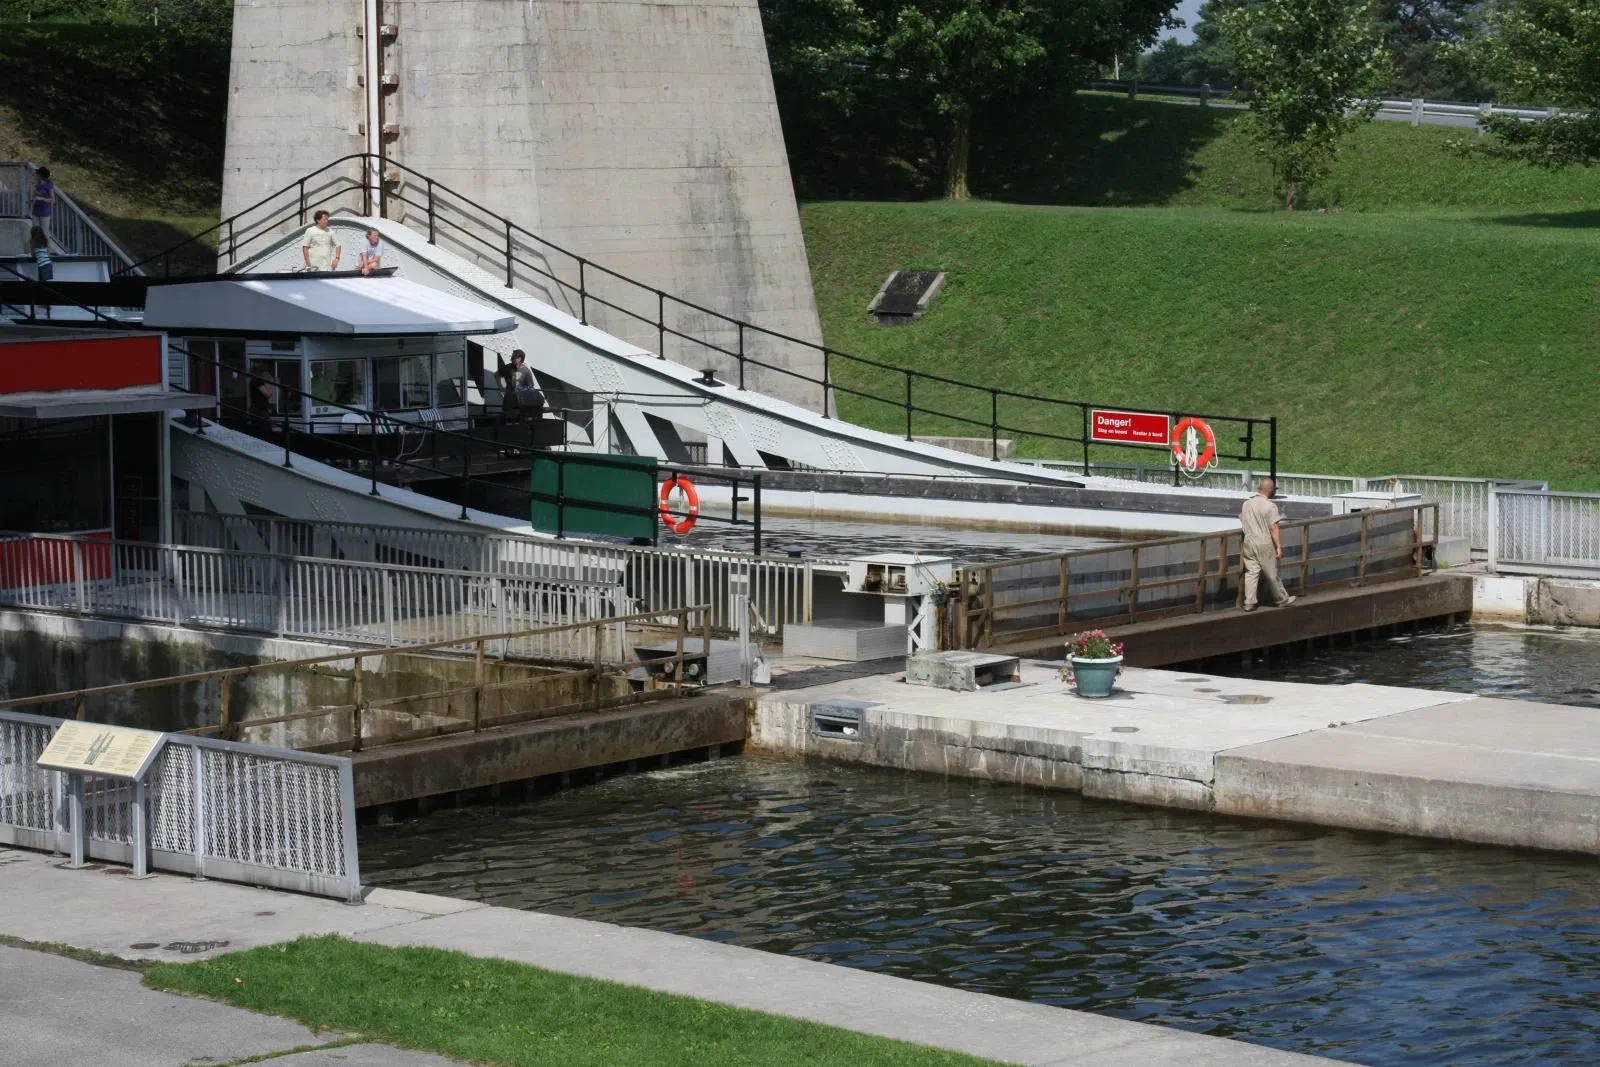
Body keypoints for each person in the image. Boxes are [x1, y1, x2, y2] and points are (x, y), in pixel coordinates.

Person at [1240, 477, 1297, 612]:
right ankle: (1282, 598)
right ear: (1271, 490)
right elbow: (1273, 527)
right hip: (1263, 541)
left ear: (1259, 488)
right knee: (1271, 573)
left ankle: (1249, 602)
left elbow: (1243, 521)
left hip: (1248, 541)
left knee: (1251, 572)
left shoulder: (1246, 504)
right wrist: (1278, 546)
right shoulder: (1270, 506)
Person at [496, 349, 544, 421]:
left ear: (519, 359)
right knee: (507, 418)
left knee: (519, 419)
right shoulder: (508, 367)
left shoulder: (526, 371)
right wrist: (501, 388)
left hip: (520, 400)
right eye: (512, 357)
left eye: (513, 357)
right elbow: (497, 375)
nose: (511, 359)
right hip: (509, 398)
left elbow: (531, 387)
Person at [28, 226, 51, 320]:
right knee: (46, 286)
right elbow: (46, 252)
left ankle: (46, 306)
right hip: (48, 264)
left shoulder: (32, 241)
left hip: (42, 266)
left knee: (43, 287)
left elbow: (33, 254)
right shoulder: (45, 240)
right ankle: (47, 308)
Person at [30, 166, 55, 235]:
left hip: (44, 214)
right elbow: (35, 196)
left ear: (41, 175)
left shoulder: (48, 185)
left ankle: (45, 242)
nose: (36, 174)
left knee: (44, 234)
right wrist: (32, 200)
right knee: (35, 233)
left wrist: (41, 199)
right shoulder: (38, 184)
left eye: (37, 173)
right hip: (35, 212)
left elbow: (53, 200)